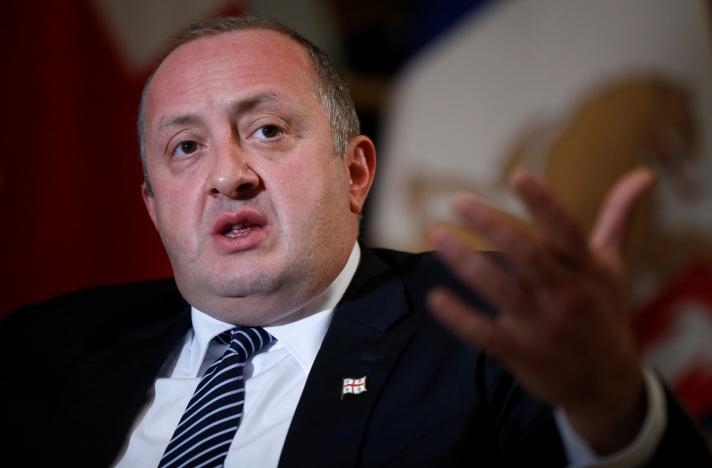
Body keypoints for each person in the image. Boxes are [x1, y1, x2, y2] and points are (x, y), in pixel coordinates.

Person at [1, 16, 710, 468]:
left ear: (355, 172)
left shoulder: (486, 322)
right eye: (186, 146)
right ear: (154, 207)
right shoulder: (42, 353)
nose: (228, 175)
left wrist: (614, 412)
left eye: (267, 130)